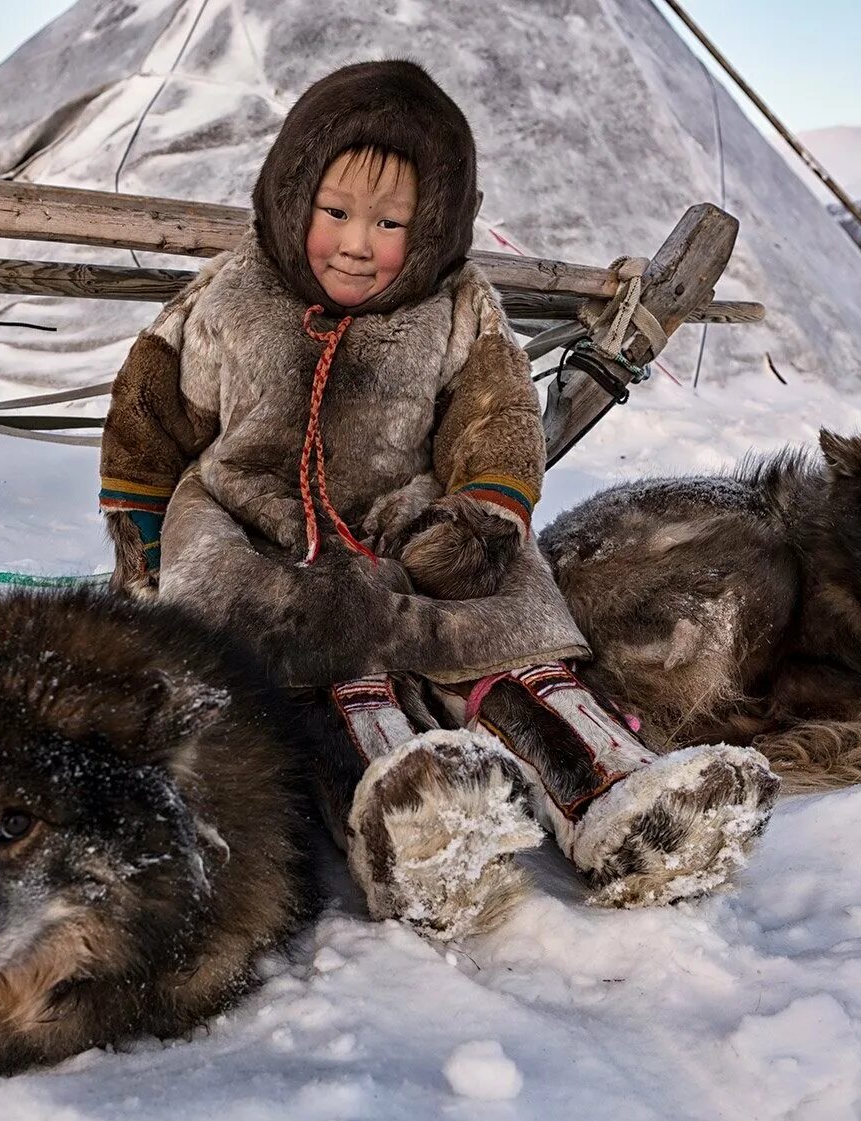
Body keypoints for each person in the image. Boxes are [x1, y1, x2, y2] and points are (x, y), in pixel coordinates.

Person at [100, 60, 776, 938]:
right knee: (330, 672)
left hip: (409, 520)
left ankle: (616, 794)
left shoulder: (457, 305)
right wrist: (145, 546)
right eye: (334, 211)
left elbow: (494, 414)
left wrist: (485, 514)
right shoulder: (232, 293)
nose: (354, 242)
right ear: (289, 194)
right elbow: (150, 414)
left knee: (506, 639)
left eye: (390, 224)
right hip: (249, 531)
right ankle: (406, 820)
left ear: (432, 230)